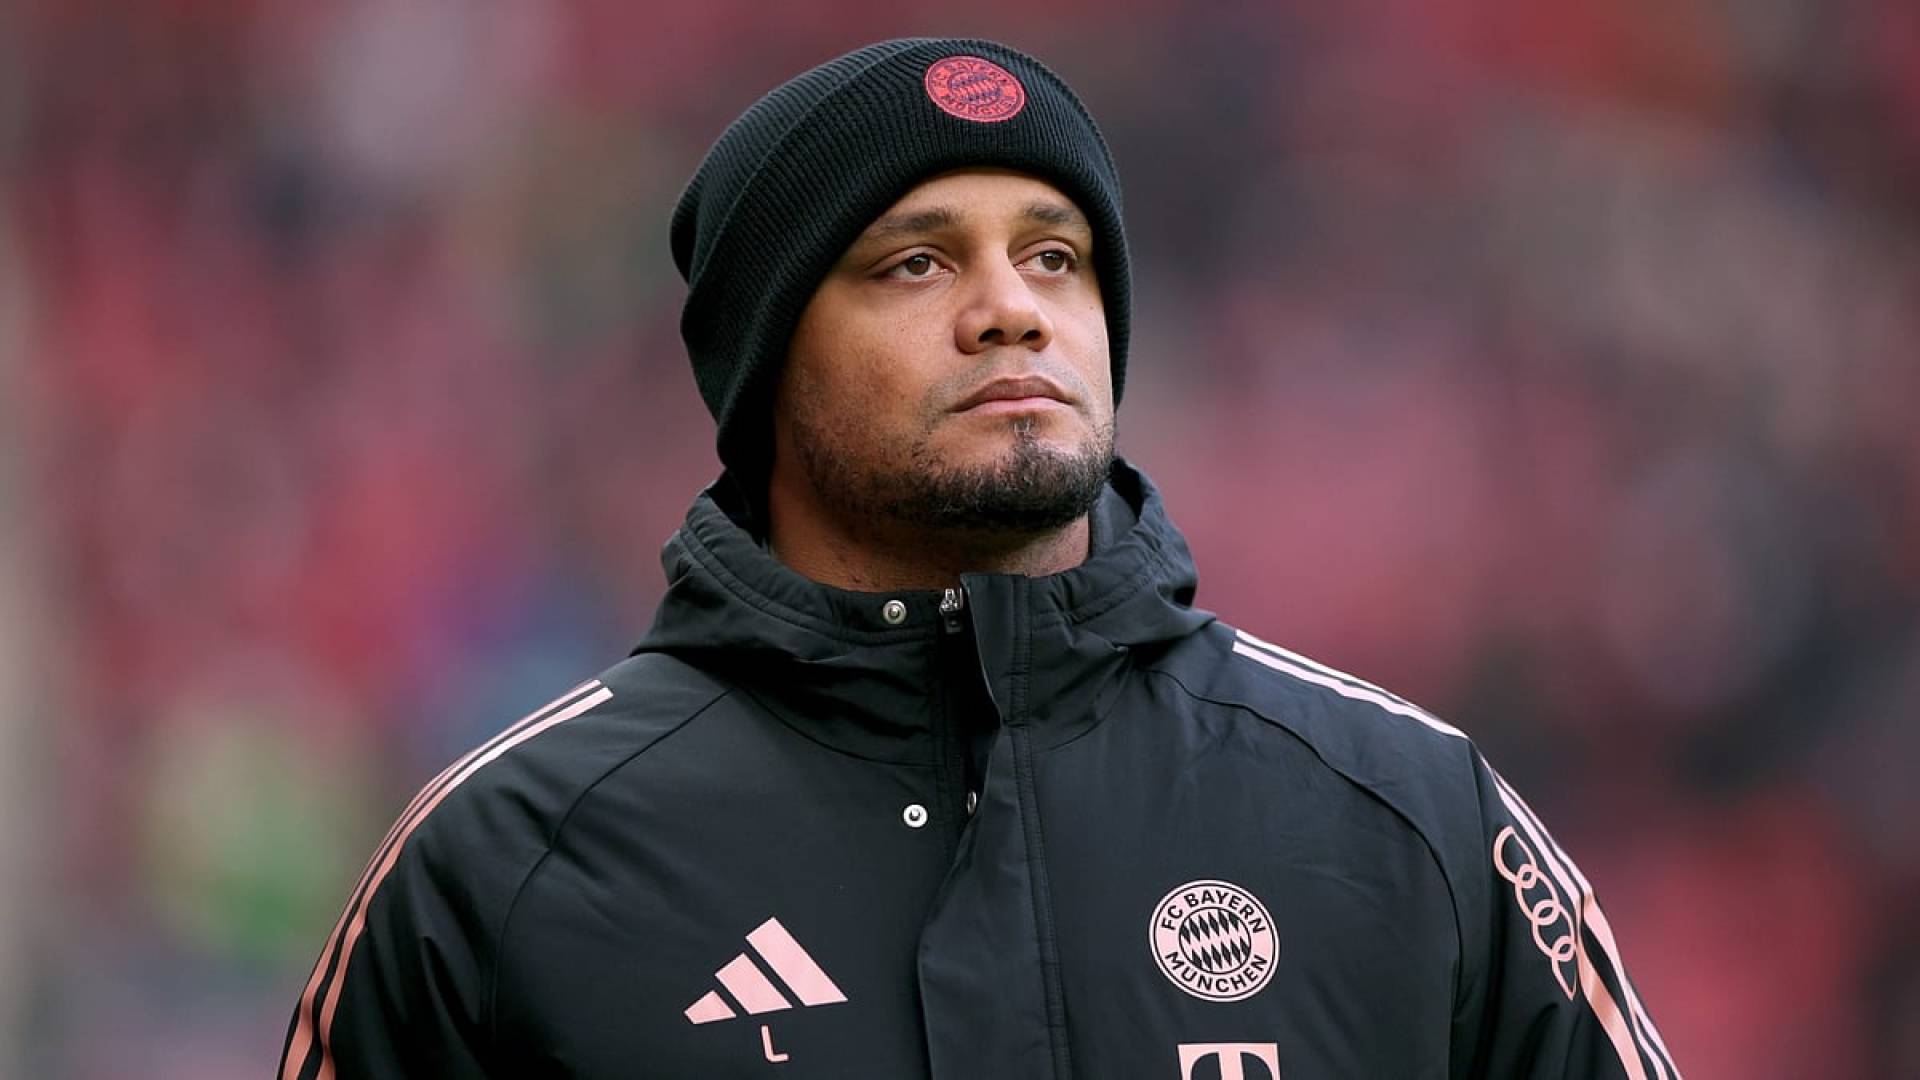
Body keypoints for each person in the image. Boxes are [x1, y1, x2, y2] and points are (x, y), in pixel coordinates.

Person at [278, 37, 1681, 1080]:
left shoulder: (1410, 818)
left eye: (1057, 256)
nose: (1013, 308)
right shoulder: (507, 866)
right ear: (768, 365)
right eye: (917, 262)